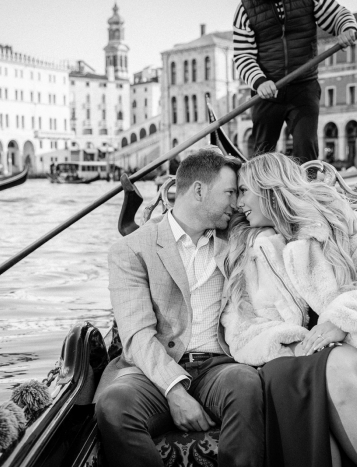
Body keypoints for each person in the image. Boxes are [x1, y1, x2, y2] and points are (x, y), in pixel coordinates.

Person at [222, 152, 357, 466]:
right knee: (303, 375)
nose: (238, 203)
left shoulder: (342, 221)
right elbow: (241, 326)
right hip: (296, 358)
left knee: (333, 367)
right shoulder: (248, 248)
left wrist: (340, 321)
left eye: (243, 191)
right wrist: (294, 342)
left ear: (268, 187)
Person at [94, 148, 265, 467]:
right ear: (199, 190)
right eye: (229, 192)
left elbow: (277, 207)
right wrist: (174, 391)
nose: (236, 203)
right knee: (113, 404)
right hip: (152, 374)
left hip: (218, 367)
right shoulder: (131, 249)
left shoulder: (237, 235)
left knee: (246, 383)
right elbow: (136, 335)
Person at [233, 0, 357, 161]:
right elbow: (243, 55)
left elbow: (337, 14)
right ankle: (261, 184)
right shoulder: (245, 8)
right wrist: (259, 82)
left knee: (307, 146)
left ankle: (308, 182)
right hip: (267, 90)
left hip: (304, 87)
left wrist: (347, 28)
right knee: (262, 153)